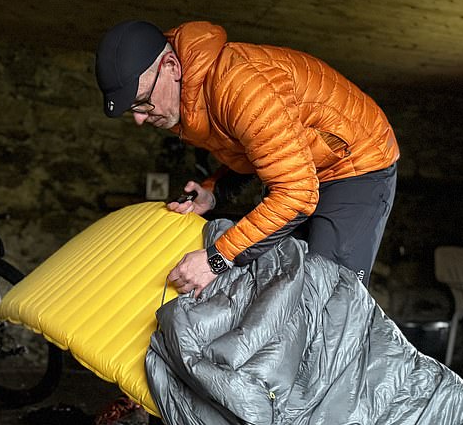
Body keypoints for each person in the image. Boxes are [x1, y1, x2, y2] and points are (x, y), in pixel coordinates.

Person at [95, 19, 399, 297]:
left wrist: (215, 259)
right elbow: (256, 150)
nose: (139, 119)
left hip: (356, 163)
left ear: (172, 66)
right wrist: (214, 193)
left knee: (328, 297)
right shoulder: (194, 99)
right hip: (304, 168)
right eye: (131, 111)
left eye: (142, 103)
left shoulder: (242, 86)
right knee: (278, 285)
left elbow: (295, 195)